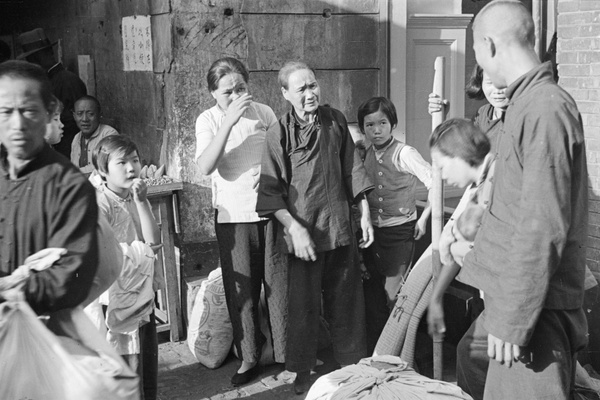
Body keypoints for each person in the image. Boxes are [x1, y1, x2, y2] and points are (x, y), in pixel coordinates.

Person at [455, 1, 588, 399]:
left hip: (536, 308)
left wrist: (514, 320)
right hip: (509, 294)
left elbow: (541, 224)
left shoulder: (545, 109)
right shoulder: (524, 106)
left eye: (475, 51)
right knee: (471, 357)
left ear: (490, 45)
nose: (478, 63)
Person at [257, 61, 373, 395]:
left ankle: (350, 367)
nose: (310, 93)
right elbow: (270, 192)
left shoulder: (334, 119)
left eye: (313, 85)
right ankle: (303, 371)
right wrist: (293, 228)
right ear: (285, 94)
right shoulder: (278, 132)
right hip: (303, 233)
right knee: (303, 306)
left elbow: (352, 167)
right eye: (301, 89)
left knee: (347, 302)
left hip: (338, 226)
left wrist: (362, 212)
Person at [195, 57, 288, 386]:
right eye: (226, 92)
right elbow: (206, 166)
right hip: (234, 218)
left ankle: (285, 355)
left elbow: (281, 157)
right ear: (213, 94)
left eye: (240, 88)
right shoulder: (208, 120)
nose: (235, 96)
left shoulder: (264, 113)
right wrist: (228, 122)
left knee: (279, 288)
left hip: (270, 212)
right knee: (243, 292)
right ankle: (250, 357)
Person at [0, 60, 98, 314]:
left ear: (49, 111)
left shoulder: (69, 186)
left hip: (43, 337)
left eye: (29, 110)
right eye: (5, 111)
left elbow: (71, 277)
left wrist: (13, 287)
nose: (17, 124)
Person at [356, 96, 433, 353]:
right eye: (369, 125)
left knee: (395, 294)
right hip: (371, 233)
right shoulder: (364, 152)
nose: (376, 130)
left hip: (398, 233)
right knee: (372, 295)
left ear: (393, 124)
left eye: (382, 123)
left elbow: (436, 182)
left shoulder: (405, 153)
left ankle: (403, 355)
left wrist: (424, 218)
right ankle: (377, 351)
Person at [92, 134, 162, 400]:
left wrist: (142, 201)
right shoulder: (101, 203)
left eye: (135, 160)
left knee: (143, 355)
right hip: (115, 295)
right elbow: (103, 251)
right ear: (102, 170)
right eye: (121, 162)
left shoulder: (134, 196)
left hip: (139, 289)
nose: (131, 168)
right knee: (123, 357)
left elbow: (153, 242)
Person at [426, 118, 492, 339]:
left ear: (460, 154)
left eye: (443, 167)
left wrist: (452, 235)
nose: (443, 176)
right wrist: (435, 299)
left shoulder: (497, 179)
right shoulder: (477, 188)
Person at [17, 28, 87, 158]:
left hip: (69, 148)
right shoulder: (45, 81)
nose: (30, 63)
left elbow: (80, 119)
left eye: (31, 59)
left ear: (37, 57)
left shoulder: (68, 80)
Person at [71, 95, 118, 175]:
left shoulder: (109, 134)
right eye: (79, 114)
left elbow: (104, 167)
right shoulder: (76, 138)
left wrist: (74, 175)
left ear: (100, 115)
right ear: (74, 116)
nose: (85, 119)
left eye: (90, 114)